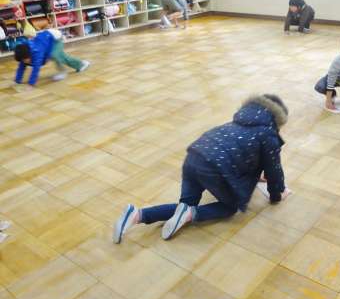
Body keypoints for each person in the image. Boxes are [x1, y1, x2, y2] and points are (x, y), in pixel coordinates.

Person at [113, 94, 291, 243]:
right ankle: (190, 214)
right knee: (229, 207)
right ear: (277, 119)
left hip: (193, 157)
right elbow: (274, 170)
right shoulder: (268, 135)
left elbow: (240, 151)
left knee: (184, 205)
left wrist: (257, 175)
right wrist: (277, 194)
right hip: (214, 168)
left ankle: (137, 215)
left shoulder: (235, 123)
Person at [14, 29, 90, 87]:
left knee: (55, 55)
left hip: (56, 38)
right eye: (22, 60)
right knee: (61, 56)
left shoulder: (37, 51)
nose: (24, 61)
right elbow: (21, 67)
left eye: (24, 59)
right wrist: (17, 81)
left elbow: (36, 68)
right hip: (47, 40)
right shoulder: (24, 53)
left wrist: (31, 84)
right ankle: (81, 64)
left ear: (29, 55)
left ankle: (63, 72)